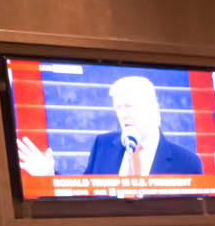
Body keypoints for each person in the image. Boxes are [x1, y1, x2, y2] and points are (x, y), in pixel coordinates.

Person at [17, 75, 204, 178]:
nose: (122, 114)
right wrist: (49, 177)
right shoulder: (103, 145)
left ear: (152, 108)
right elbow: (84, 199)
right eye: (118, 107)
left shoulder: (187, 162)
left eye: (129, 106)